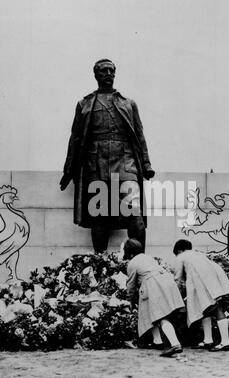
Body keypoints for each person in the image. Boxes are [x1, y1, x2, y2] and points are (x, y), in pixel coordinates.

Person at [60, 59, 155, 253]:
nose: (109, 74)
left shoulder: (128, 103)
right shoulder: (84, 104)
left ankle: (139, 259)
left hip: (126, 162)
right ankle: (100, 261)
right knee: (100, 214)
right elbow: (75, 138)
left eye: (112, 70)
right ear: (96, 75)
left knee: (134, 211)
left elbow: (139, 136)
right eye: (104, 71)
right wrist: (69, 170)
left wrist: (146, 164)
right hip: (97, 163)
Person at [123, 238, 185, 357]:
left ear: (130, 253)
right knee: (152, 314)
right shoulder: (147, 257)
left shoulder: (132, 263)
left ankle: (175, 344)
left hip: (154, 284)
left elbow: (130, 286)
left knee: (161, 317)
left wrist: (129, 301)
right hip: (166, 281)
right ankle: (158, 341)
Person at [173, 239, 229, 352]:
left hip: (202, 282)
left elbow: (177, 279)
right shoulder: (198, 254)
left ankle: (226, 342)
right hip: (214, 278)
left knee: (217, 309)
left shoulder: (181, 256)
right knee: (206, 309)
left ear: (179, 250)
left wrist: (176, 295)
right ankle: (208, 340)